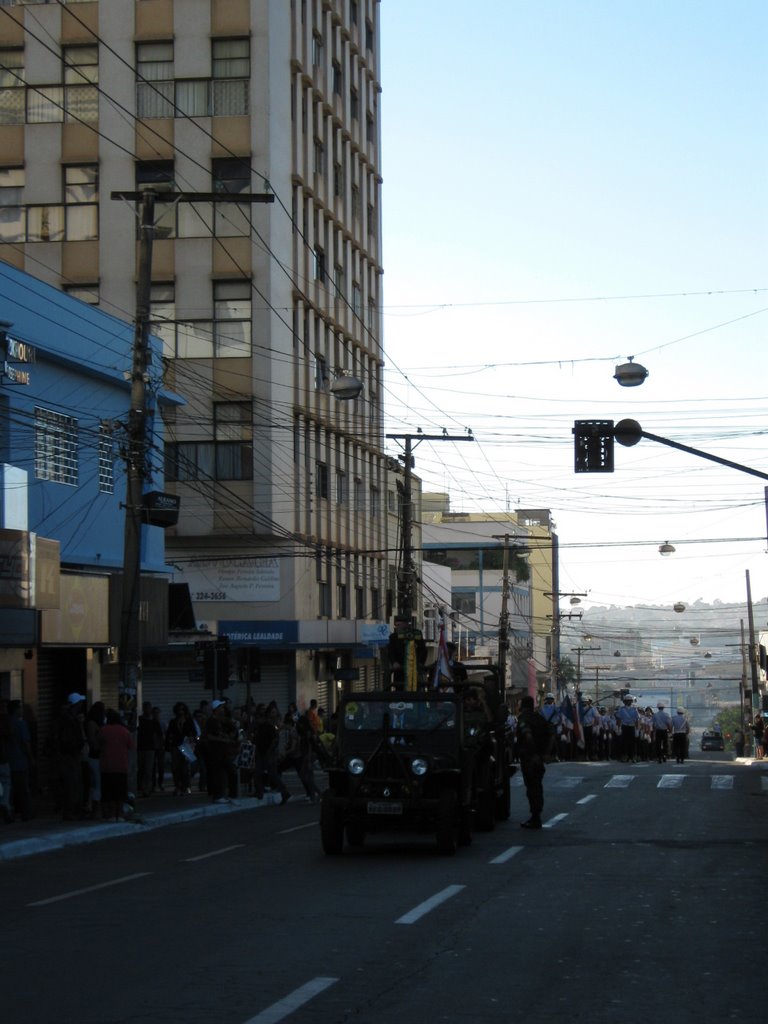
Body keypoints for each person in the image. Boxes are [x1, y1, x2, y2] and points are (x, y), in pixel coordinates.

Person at [47, 693, 88, 820]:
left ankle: (71, 809)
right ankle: (70, 811)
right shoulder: (70, 721)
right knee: (72, 784)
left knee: (70, 784)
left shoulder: (63, 720)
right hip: (69, 756)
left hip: (66, 755)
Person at [516, 695, 552, 829]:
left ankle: (535, 817)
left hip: (529, 758)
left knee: (532, 788)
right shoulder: (540, 718)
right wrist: (545, 753)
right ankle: (536, 815)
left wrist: (534, 754)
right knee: (537, 787)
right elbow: (551, 734)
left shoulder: (524, 719)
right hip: (539, 758)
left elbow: (527, 735)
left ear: (523, 706)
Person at [99, 709, 135, 821]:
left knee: (108, 792)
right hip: (121, 766)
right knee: (120, 793)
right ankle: (119, 814)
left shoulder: (103, 730)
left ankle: (109, 814)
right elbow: (130, 746)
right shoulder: (125, 731)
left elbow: (97, 744)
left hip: (107, 766)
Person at [615, 695, 640, 763]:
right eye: (627, 701)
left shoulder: (634, 709)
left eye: (630, 701)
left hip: (632, 727)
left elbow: (637, 720)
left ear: (631, 701)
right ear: (624, 702)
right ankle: (624, 756)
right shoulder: (621, 709)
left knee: (632, 743)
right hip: (624, 726)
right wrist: (618, 728)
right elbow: (619, 719)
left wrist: (637, 729)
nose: (629, 702)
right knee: (624, 742)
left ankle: (632, 757)